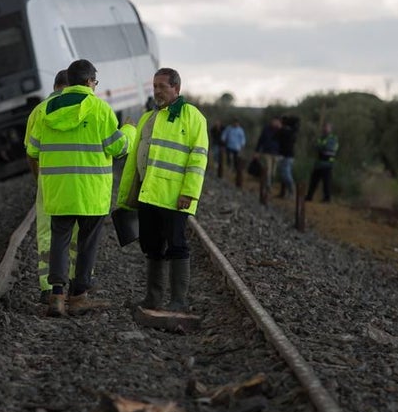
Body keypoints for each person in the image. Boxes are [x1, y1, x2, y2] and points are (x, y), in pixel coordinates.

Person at [27, 59, 137, 317]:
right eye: (95, 82)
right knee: (87, 243)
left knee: (59, 239)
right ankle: (78, 297)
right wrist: (130, 131)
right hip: (91, 192)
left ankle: (56, 295)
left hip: (59, 190)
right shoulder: (99, 108)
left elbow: (33, 150)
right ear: (89, 81)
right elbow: (118, 147)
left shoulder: (45, 110)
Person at [116, 67, 208, 312]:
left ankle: (179, 301)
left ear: (176, 88)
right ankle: (153, 299)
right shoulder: (148, 117)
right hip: (148, 195)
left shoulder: (193, 117)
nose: (157, 91)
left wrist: (189, 192)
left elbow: (198, 159)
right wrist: (129, 194)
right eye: (154, 86)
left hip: (174, 197)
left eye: (162, 87)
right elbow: (135, 160)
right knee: (152, 247)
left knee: (177, 245)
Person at [25, 69, 77, 301]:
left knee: (47, 232)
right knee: (77, 232)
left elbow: (31, 152)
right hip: (78, 181)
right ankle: (77, 284)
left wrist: (39, 178)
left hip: (49, 181)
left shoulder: (38, 111)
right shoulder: (84, 106)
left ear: (55, 85)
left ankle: (48, 288)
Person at [305, 122, 339, 203]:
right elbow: (315, 146)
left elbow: (328, 148)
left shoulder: (333, 138)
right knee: (313, 181)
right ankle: (309, 196)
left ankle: (327, 198)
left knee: (326, 182)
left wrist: (320, 147)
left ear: (331, 129)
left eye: (327, 127)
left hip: (327, 163)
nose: (325, 129)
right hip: (318, 163)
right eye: (324, 127)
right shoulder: (321, 138)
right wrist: (320, 147)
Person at [252, 117, 282, 194]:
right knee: (268, 169)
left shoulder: (281, 130)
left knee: (273, 171)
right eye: (274, 121)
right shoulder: (266, 129)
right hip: (267, 152)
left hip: (277, 153)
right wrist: (257, 151)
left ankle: (271, 183)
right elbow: (260, 140)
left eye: (276, 121)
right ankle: (268, 185)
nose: (274, 123)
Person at [276, 115, 300, 198]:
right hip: (288, 155)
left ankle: (292, 191)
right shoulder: (292, 132)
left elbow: (276, 137)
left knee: (286, 174)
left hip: (286, 155)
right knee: (285, 173)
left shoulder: (286, 131)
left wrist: (280, 128)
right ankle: (287, 192)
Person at [221, 118, 246, 187]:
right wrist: (223, 139)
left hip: (236, 147)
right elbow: (224, 134)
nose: (235, 124)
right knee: (228, 157)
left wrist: (242, 144)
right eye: (234, 123)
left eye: (236, 123)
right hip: (229, 145)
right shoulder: (229, 128)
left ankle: (235, 168)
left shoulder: (240, 130)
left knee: (236, 158)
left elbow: (242, 138)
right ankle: (229, 166)